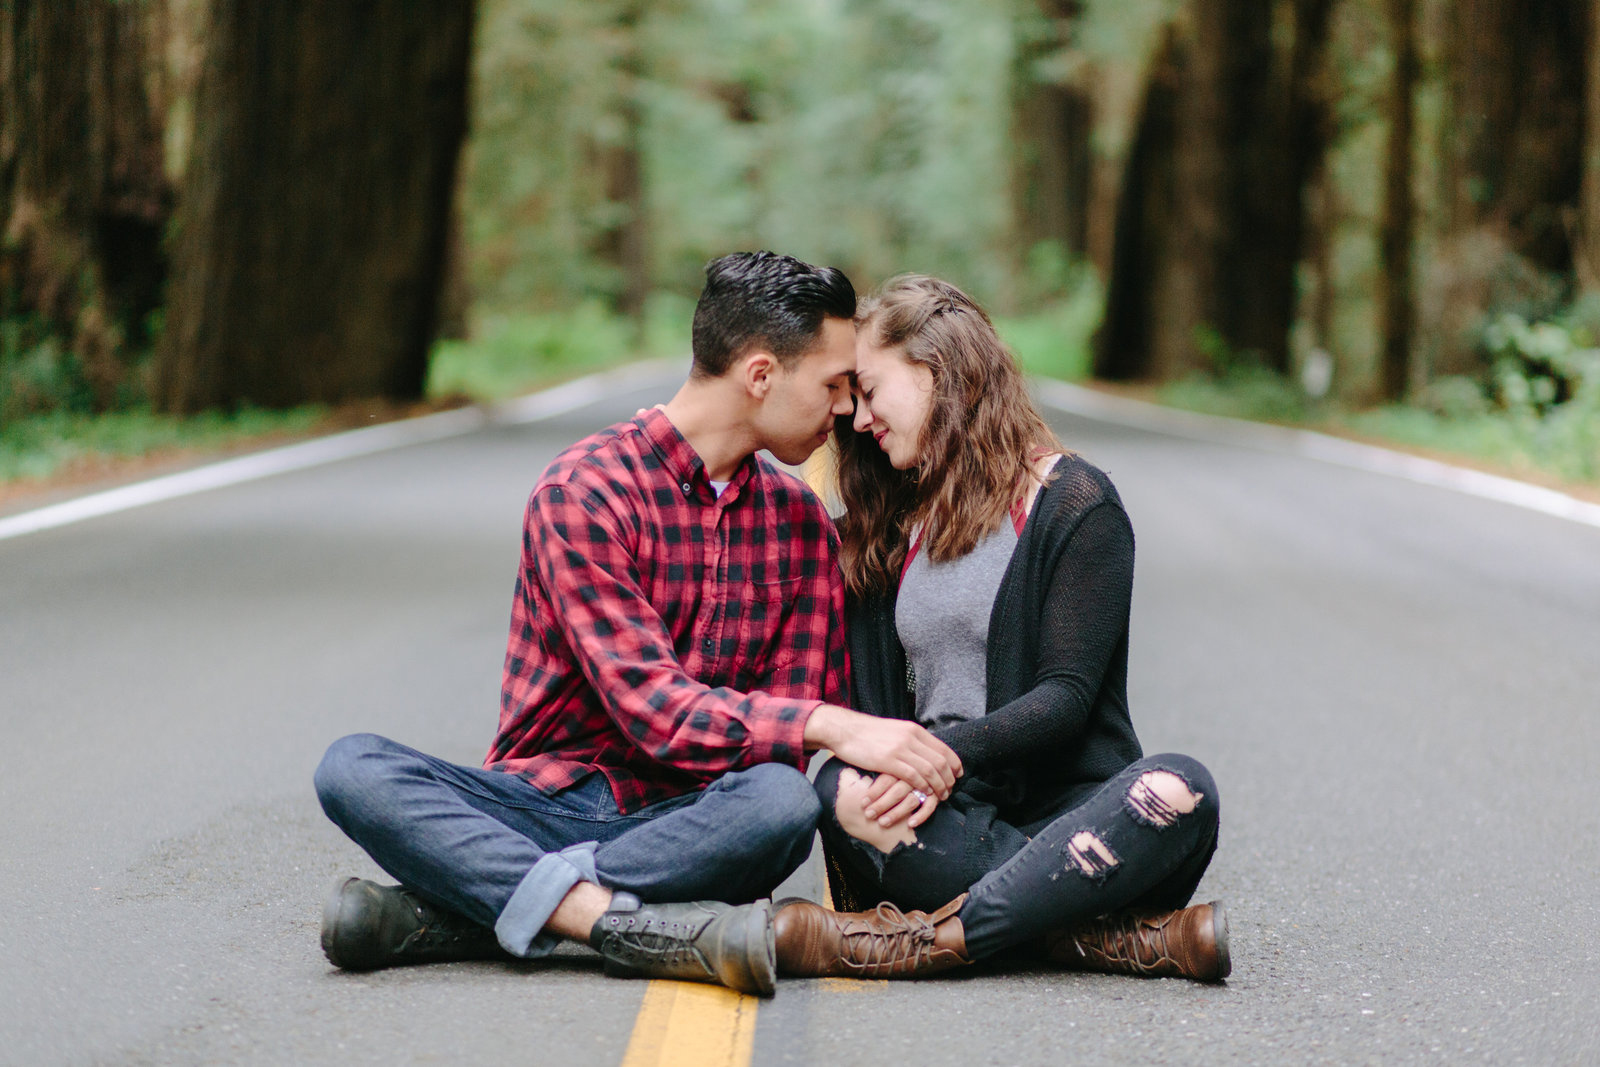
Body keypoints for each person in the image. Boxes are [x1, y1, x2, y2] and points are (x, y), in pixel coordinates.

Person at [313, 253, 963, 997]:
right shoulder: (585, 492)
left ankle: (491, 907)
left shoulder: (800, 522)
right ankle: (619, 923)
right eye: (832, 386)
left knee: (782, 804)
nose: (847, 411)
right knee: (352, 766)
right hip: (545, 806)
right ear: (760, 376)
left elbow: (780, 763)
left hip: (697, 826)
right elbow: (655, 711)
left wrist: (817, 730)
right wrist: (832, 724)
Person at [772, 275, 1230, 982]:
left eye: (869, 389)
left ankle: (934, 940)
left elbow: (1065, 698)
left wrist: (933, 754)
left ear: (936, 371)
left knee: (1179, 790)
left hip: (1071, 815)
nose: (857, 419)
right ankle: (1093, 933)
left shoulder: (1074, 503)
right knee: (839, 788)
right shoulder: (888, 525)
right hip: (946, 822)